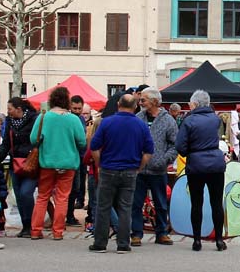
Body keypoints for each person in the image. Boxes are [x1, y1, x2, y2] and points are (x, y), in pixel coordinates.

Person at [89, 94, 153, 254]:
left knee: (103, 207)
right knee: (125, 207)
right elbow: (148, 151)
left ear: (118, 104)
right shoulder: (141, 125)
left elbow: (94, 147)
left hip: (108, 169)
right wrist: (139, 167)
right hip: (130, 170)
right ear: (135, 106)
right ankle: (123, 244)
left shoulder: (106, 122)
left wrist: (99, 164)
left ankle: (100, 243)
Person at [29, 86, 87, 240]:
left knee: (42, 197)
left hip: (47, 162)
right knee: (62, 198)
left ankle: (35, 230)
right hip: (68, 163)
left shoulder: (43, 117)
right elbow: (82, 142)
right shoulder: (73, 119)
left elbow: (33, 139)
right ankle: (58, 231)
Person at [176, 90, 228, 252]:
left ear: (195, 104)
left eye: (190, 103)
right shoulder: (215, 119)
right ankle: (219, 240)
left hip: (196, 165)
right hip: (216, 164)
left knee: (196, 203)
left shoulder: (189, 120)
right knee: (216, 203)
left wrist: (190, 152)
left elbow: (180, 146)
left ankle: (197, 240)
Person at [129, 87, 176, 246]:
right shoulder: (137, 118)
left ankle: (162, 233)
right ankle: (136, 233)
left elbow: (174, 144)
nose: (140, 102)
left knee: (161, 203)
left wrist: (165, 159)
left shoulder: (168, 120)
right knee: (136, 203)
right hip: (139, 169)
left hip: (158, 170)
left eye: (143, 100)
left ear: (154, 101)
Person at [0, 97, 39, 238]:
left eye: (10, 109)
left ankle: (31, 224)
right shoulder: (10, 122)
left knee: (26, 193)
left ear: (19, 109)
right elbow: (6, 144)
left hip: (31, 163)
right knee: (19, 195)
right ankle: (25, 225)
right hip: (15, 163)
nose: (8, 112)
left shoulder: (34, 119)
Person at [66, 95, 87, 227]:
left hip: (80, 157)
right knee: (72, 188)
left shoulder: (81, 119)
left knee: (77, 187)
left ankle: (69, 214)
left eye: (79, 108)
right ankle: (68, 215)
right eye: (75, 108)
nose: (77, 111)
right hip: (72, 157)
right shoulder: (70, 119)